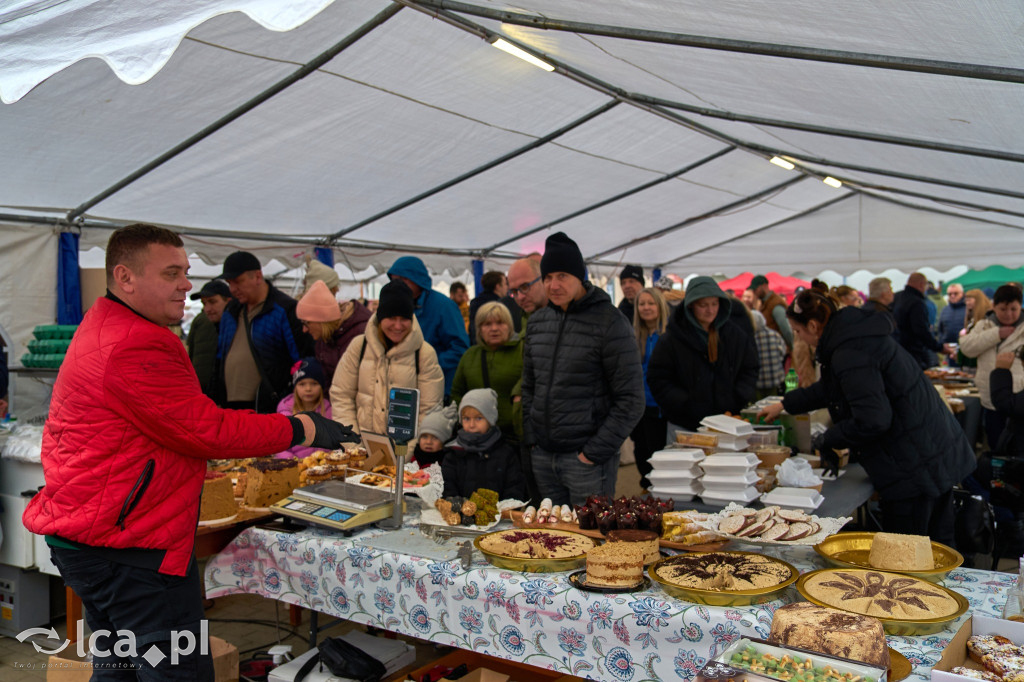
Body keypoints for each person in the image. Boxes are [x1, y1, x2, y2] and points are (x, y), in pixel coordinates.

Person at [22, 224, 356, 679]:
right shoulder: (135, 343)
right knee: (174, 671)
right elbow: (207, 430)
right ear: (126, 277)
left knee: (118, 666)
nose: (187, 285)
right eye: (172, 273)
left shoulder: (107, 324)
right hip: (131, 547)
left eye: (186, 272)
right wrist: (301, 426)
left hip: (93, 535)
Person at [757, 291, 975, 546]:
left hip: (915, 465)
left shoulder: (849, 351)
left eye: (797, 331)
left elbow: (873, 419)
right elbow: (833, 388)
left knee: (911, 552)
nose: (799, 338)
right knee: (937, 546)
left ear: (814, 326)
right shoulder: (853, 339)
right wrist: (785, 403)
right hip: (929, 454)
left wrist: (827, 439)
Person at [521, 232, 644, 506]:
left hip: (587, 462)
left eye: (562, 275)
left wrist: (593, 452)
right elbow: (529, 387)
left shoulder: (610, 322)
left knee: (590, 539)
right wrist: (533, 440)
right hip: (543, 456)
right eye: (548, 277)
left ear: (580, 277)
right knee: (552, 540)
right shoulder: (538, 322)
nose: (553, 285)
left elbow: (632, 399)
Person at [330, 280, 444, 436]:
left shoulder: (424, 353)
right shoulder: (359, 347)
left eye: (404, 319)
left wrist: (403, 452)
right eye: (391, 318)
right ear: (380, 317)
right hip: (360, 448)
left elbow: (429, 408)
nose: (398, 326)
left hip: (405, 453)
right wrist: (353, 444)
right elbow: (342, 396)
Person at [647, 276, 759, 431]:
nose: (710, 310)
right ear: (691, 305)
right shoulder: (672, 339)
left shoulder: (735, 336)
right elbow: (657, 377)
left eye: (714, 303)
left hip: (728, 422)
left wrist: (738, 397)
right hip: (684, 425)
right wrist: (683, 403)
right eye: (703, 305)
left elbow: (750, 368)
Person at [216, 251, 311, 412]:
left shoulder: (284, 309)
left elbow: (301, 360)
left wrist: (287, 399)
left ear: (258, 277)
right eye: (229, 283)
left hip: (268, 405)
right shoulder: (231, 311)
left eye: (237, 282)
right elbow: (219, 357)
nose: (232, 289)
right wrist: (216, 396)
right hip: (230, 406)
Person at [386, 256, 470, 397]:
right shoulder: (396, 306)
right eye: (394, 280)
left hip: (440, 390)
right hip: (405, 389)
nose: (397, 285)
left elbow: (460, 348)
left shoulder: (444, 306)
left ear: (417, 279)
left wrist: (425, 365)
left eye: (402, 279)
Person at [960, 284, 1024, 449]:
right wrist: (996, 334)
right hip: (990, 396)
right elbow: (967, 348)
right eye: (1003, 309)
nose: (1009, 314)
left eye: (1013, 309)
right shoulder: (984, 325)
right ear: (994, 307)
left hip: (1019, 398)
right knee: (996, 442)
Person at [450, 301, 523, 441]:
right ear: (479, 329)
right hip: (476, 437)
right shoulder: (470, 355)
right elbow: (457, 394)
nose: (494, 328)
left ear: (510, 326)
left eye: (500, 322)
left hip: (514, 436)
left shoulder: (522, 352)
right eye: (487, 324)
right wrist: (466, 421)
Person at [441, 388, 526, 500]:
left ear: (490, 420)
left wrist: (505, 510)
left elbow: (515, 486)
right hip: (461, 514)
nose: (471, 424)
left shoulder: (505, 453)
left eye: (478, 418)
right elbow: (447, 486)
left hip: (498, 515)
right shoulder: (453, 452)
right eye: (466, 418)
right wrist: (456, 505)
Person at [630, 287, 670, 490]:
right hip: (639, 404)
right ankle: (647, 488)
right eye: (642, 304)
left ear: (659, 306)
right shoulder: (633, 336)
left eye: (650, 303)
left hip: (661, 405)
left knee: (659, 451)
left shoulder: (669, 334)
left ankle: (660, 491)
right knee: (641, 451)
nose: (646, 308)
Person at [295, 280, 371, 384]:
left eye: (306, 323)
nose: (304, 330)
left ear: (321, 320)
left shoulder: (360, 334)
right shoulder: (323, 340)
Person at [893, 272, 955, 369]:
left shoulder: (896, 298)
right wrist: (938, 347)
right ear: (922, 285)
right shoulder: (917, 303)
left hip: (897, 350)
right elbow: (920, 329)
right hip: (914, 351)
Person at [186, 280, 232, 398]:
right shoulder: (212, 323)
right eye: (204, 303)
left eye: (213, 302)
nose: (208, 309)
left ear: (229, 301)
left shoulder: (238, 325)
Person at [752, 307, 788, 398]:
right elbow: (783, 352)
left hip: (757, 382)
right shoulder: (774, 334)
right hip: (775, 379)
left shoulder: (750, 338)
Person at [751, 274, 793, 349]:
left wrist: (792, 348)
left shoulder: (775, 304)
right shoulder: (764, 303)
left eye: (755, 289)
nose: (754, 292)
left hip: (779, 350)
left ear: (764, 286)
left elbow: (786, 330)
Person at [468, 270, 509, 338]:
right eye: (505, 284)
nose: (507, 287)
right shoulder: (499, 306)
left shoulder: (475, 303)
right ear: (498, 286)